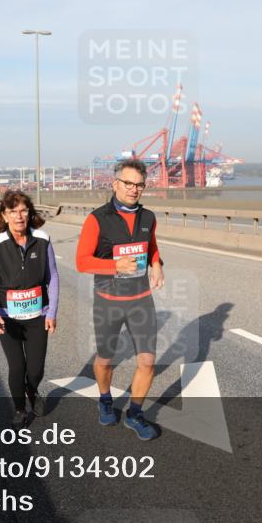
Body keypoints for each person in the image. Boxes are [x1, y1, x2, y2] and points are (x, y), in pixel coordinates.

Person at [75, 160, 163, 441]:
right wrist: (115, 266)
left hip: (141, 301)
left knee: (148, 362)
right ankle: (104, 399)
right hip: (108, 302)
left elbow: (152, 248)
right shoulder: (96, 219)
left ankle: (135, 414)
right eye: (128, 183)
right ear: (115, 184)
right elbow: (81, 262)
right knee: (105, 360)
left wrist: (158, 263)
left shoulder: (148, 218)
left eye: (139, 185)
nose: (134, 189)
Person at [0, 190, 59, 427]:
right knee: (17, 367)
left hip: (38, 316)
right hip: (8, 319)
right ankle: (20, 409)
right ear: (4, 216)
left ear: (29, 212)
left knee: (35, 370)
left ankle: (32, 391)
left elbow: (52, 277)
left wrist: (52, 312)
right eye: (12, 212)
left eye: (23, 210)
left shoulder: (42, 240)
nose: (19, 216)